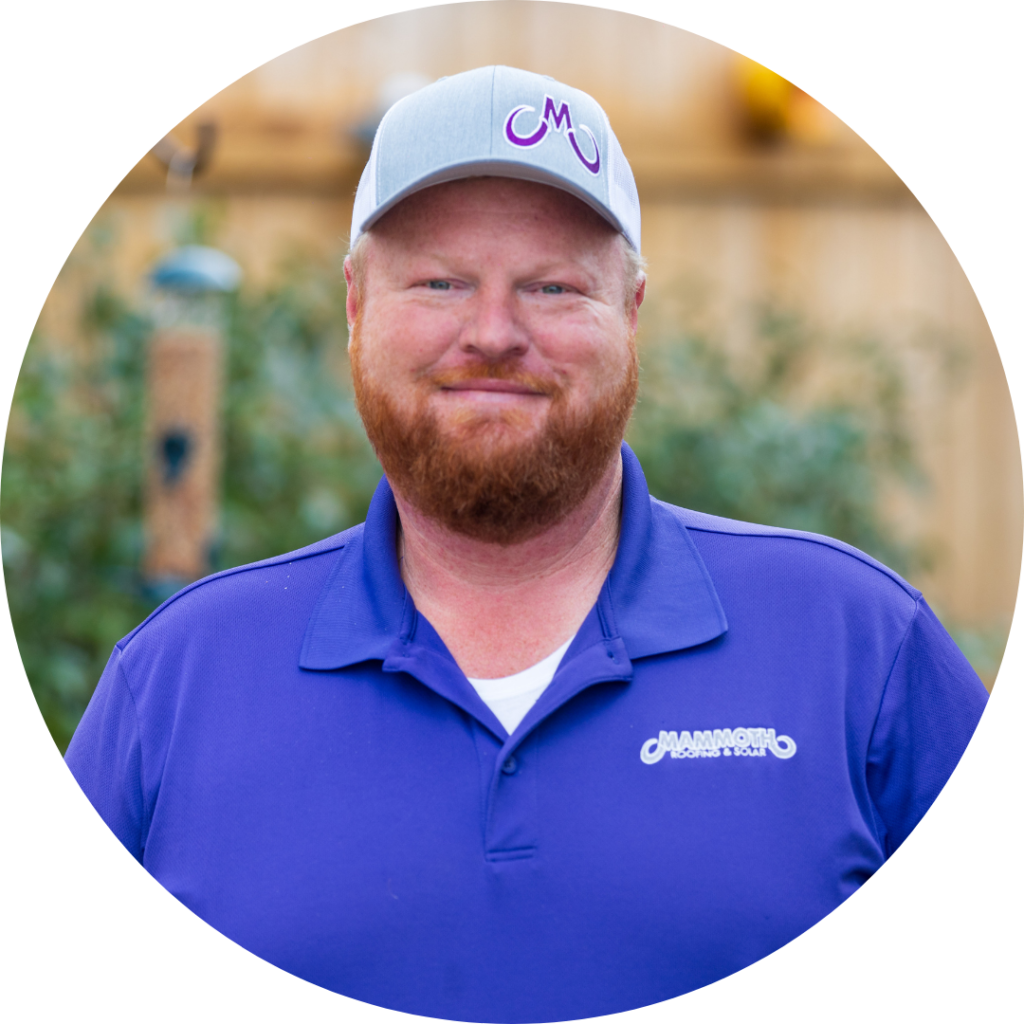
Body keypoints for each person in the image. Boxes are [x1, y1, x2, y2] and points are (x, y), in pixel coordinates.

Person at [64, 66, 988, 1021]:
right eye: (440, 281)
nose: (494, 333)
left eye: (552, 286)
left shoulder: (858, 647)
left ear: (630, 314)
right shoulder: (175, 681)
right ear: (356, 309)